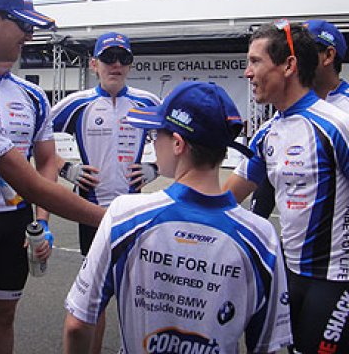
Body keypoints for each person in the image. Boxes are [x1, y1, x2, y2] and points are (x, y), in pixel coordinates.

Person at [62, 81, 292, 354]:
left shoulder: (125, 215)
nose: (152, 141)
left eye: (156, 133)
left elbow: (78, 324)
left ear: (178, 144)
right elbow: (266, 345)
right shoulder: (262, 236)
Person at [0, 0, 104, 353]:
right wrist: (114, 218)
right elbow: (29, 182)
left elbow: (41, 164)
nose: (29, 35)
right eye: (23, 23)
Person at [223, 20, 349, 353]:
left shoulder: (337, 125)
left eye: (255, 61)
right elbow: (225, 197)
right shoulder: (268, 132)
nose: (247, 73)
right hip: (289, 275)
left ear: (289, 65)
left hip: (337, 281)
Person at [52, 32, 160, 353]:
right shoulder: (77, 103)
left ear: (130, 64)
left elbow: (181, 142)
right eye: (108, 57)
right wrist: (67, 169)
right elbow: (35, 136)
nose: (116, 64)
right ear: (93, 63)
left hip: (134, 214)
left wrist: (156, 169)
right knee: (93, 302)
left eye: (123, 58)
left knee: (139, 294)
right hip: (91, 214)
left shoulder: (147, 102)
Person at [0, 61, 56, 354]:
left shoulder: (33, 95)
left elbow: (47, 160)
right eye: (19, 27)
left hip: (15, 220)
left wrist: (43, 222)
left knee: (4, 315)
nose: (23, 38)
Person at [250, 19, 349, 220]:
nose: (291, 57)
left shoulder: (341, 116)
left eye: (305, 49)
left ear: (329, 56)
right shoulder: (284, 114)